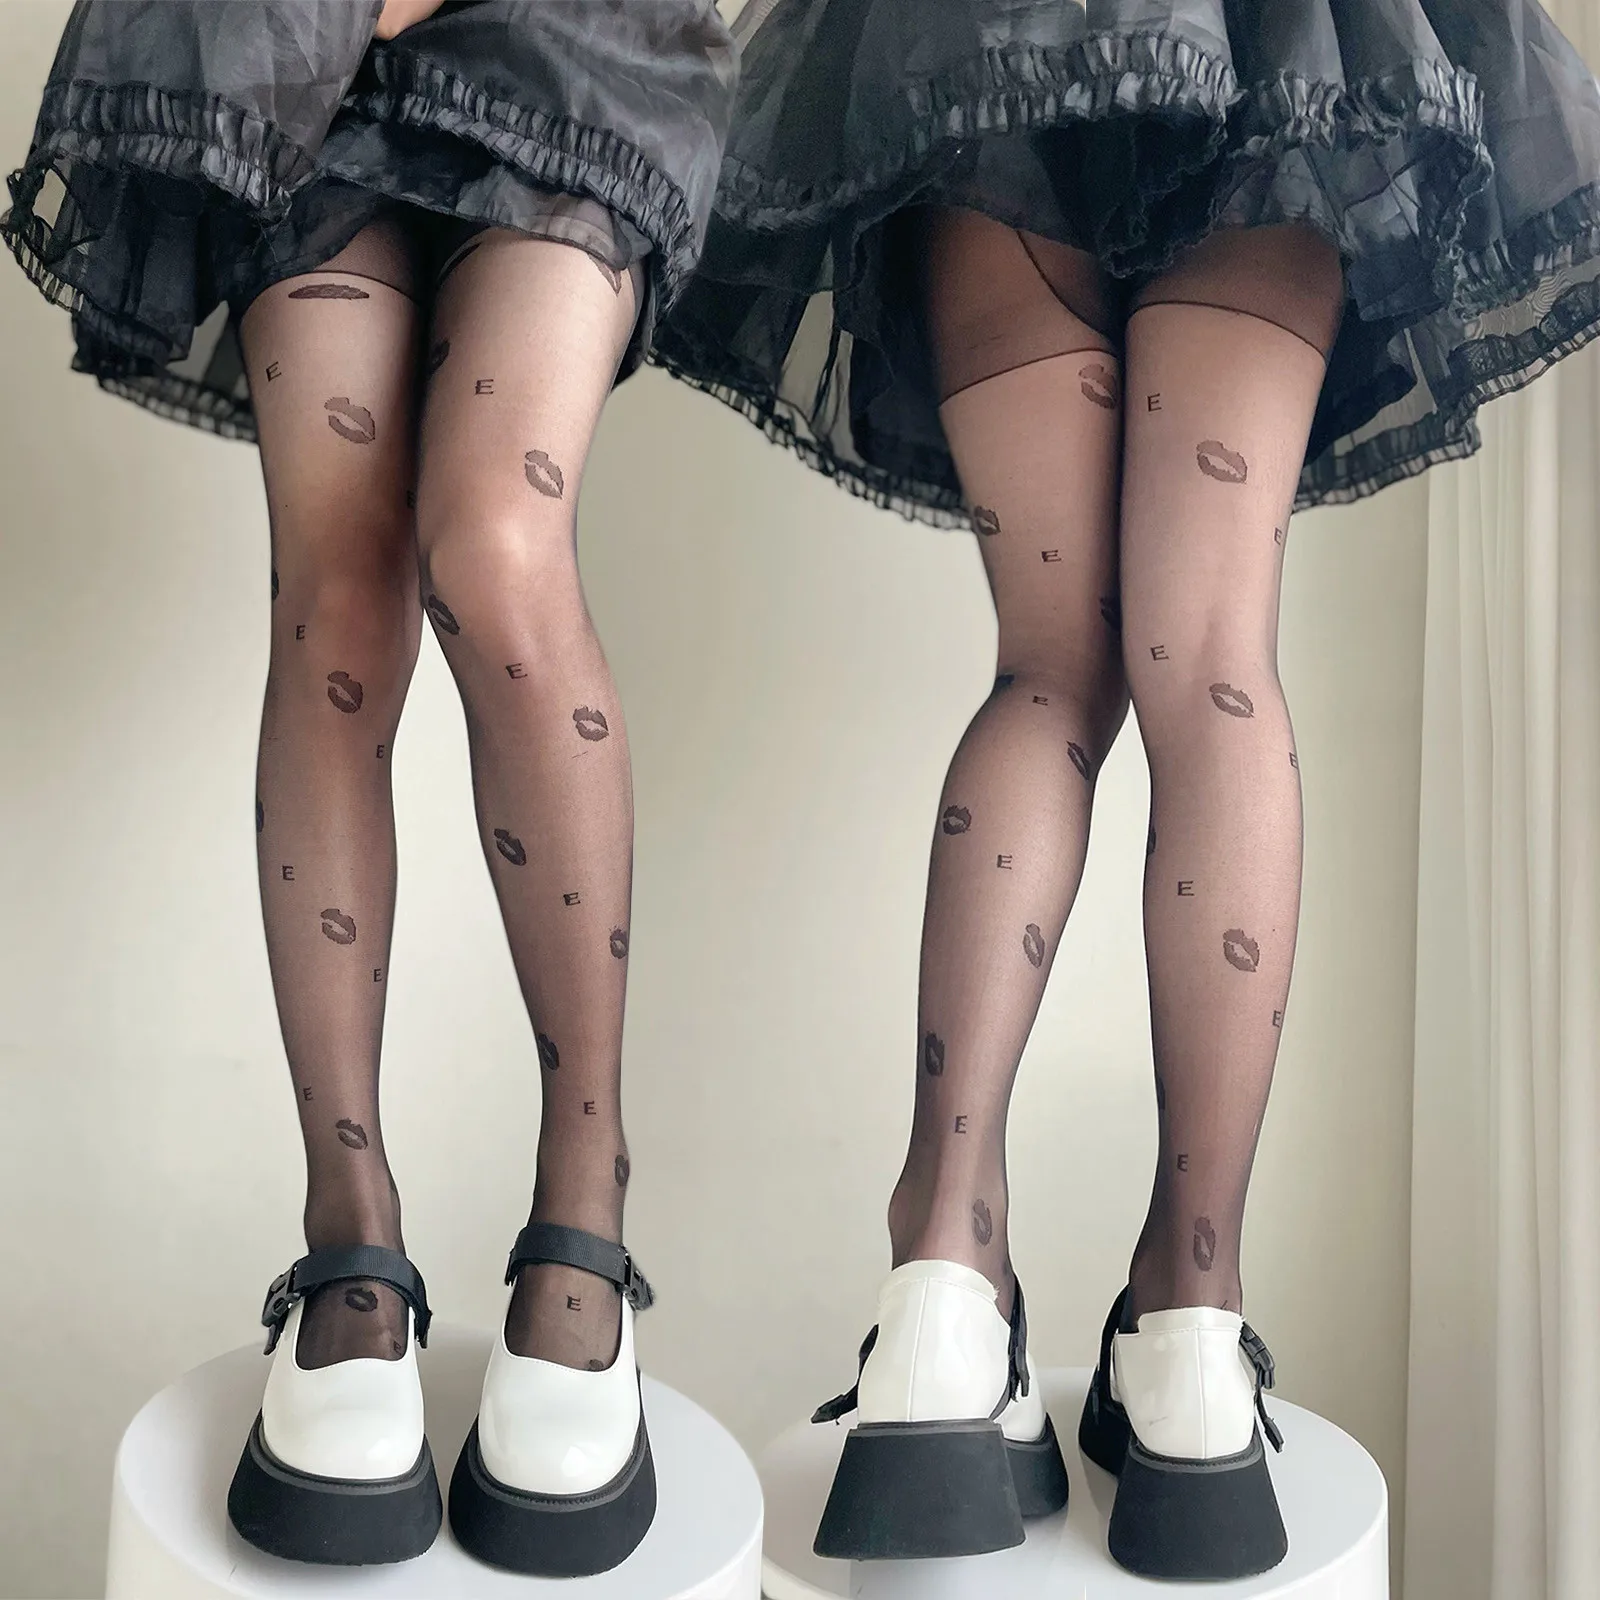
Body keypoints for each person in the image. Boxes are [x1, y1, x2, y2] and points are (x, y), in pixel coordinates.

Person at [655, 0, 1600, 1578]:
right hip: (1281, 43)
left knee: (1048, 669)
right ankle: (1193, 1330)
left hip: (994, 42)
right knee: (1213, 664)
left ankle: (943, 1289)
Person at [3, 0, 734, 1574]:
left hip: (574, 51)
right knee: (337, 598)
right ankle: (351, 1237)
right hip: (297, 68)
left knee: (496, 545)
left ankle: (584, 1205)